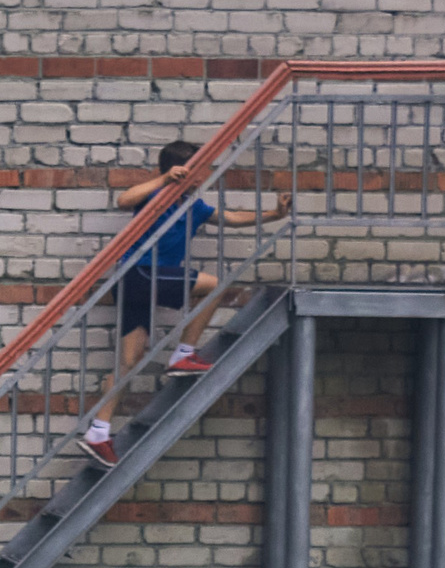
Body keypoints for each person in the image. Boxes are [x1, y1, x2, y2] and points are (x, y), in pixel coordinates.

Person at [83, 141, 292, 467]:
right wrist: (165, 179)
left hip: (142, 279)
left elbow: (233, 217)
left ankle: (99, 431)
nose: (206, 174)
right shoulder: (158, 195)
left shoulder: (192, 206)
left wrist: (275, 214)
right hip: (141, 272)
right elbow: (124, 200)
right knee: (214, 287)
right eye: (202, 167)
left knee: (130, 359)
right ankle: (183, 355)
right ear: (183, 170)